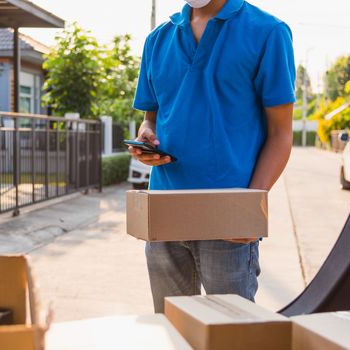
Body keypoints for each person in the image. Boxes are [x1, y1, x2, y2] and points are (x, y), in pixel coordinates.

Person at [130, 0, 296, 312]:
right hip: (164, 213)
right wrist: (146, 137)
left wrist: (249, 207)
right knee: (172, 330)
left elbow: (280, 135)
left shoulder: (268, 32)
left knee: (231, 335)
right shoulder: (158, 39)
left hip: (228, 218)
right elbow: (151, 118)